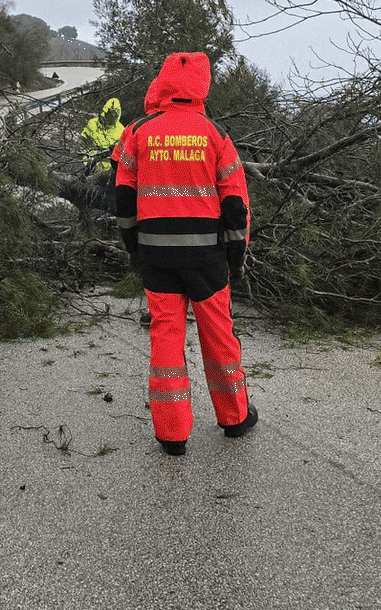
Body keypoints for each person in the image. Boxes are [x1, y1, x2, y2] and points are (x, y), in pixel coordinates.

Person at [113, 52, 255, 456]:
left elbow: (123, 200)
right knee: (218, 337)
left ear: (163, 82)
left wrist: (133, 249)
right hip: (207, 259)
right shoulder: (215, 135)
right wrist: (236, 257)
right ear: (201, 85)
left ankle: (172, 434)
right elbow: (235, 207)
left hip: (157, 258)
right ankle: (235, 418)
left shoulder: (138, 133)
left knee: (166, 341)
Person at [81, 97, 124, 173]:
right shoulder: (93, 124)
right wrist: (91, 164)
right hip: (91, 168)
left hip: (111, 171)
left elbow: (124, 154)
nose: (112, 117)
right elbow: (84, 146)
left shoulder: (121, 130)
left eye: (114, 115)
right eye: (110, 114)